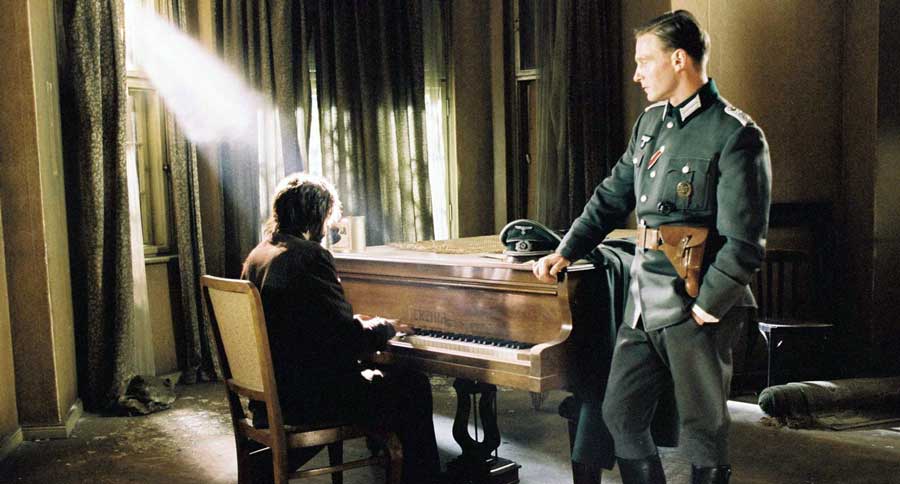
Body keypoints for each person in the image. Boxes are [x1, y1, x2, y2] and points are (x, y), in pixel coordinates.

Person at [534, 10, 770, 484]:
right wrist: (567, 249)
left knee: (704, 429)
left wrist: (707, 306)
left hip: (696, 300)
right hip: (643, 299)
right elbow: (612, 194)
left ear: (678, 59)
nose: (636, 73)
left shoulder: (734, 134)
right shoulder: (649, 124)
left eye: (645, 61)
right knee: (619, 414)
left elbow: (745, 242)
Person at [241, 173, 442, 484]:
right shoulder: (310, 257)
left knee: (391, 383)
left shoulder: (259, 255)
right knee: (412, 386)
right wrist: (386, 326)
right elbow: (346, 340)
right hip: (309, 401)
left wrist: (357, 321)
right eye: (327, 218)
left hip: (272, 395)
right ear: (317, 216)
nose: (328, 229)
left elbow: (307, 323)